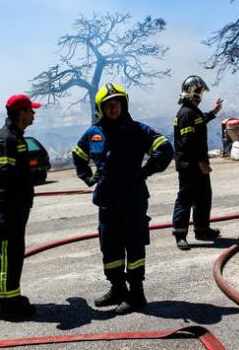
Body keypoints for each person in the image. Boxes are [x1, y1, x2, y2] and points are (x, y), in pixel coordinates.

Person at [73, 83, 173, 315]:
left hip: (132, 200)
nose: (113, 107)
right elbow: (78, 155)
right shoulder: (93, 133)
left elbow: (165, 148)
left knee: (134, 245)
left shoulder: (138, 130)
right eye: (108, 104)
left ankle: (136, 294)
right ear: (101, 108)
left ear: (124, 104)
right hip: (107, 202)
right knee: (110, 247)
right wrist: (89, 178)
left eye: (117, 103)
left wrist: (146, 171)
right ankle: (117, 288)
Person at [0, 94, 41, 321]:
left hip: (14, 210)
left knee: (12, 256)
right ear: (21, 113)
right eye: (31, 110)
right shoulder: (7, 139)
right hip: (8, 210)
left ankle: (10, 297)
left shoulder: (16, 137)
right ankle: (7, 307)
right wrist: (13, 205)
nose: (34, 114)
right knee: (6, 258)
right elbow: (3, 176)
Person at [171, 75, 223, 251]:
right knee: (185, 199)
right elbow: (188, 142)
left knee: (203, 196)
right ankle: (180, 234)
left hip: (198, 164)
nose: (201, 96)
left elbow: (200, 122)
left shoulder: (193, 112)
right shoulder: (186, 113)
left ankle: (202, 230)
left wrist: (214, 112)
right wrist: (200, 161)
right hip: (189, 165)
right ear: (193, 92)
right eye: (200, 92)